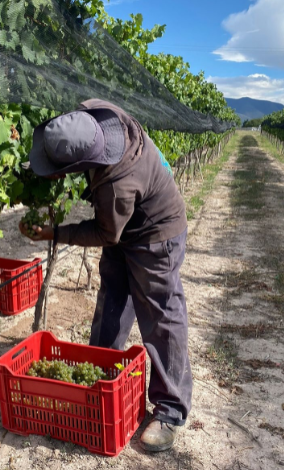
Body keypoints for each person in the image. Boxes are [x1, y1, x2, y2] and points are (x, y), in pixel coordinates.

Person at [19, 99, 192, 452]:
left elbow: (105, 234)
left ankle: (171, 410)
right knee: (112, 298)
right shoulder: (98, 113)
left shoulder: (117, 183)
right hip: (127, 224)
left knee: (161, 316)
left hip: (156, 236)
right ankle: (98, 376)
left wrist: (54, 233)